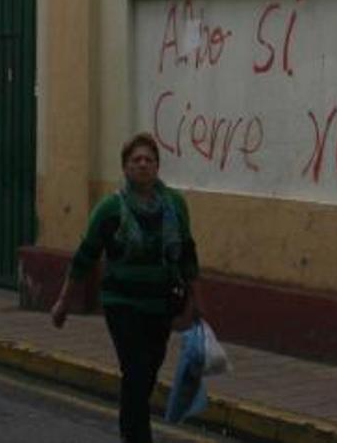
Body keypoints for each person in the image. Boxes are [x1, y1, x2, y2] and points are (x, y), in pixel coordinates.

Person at [51, 132, 199, 443]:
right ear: (125, 168)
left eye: (149, 160)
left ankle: (132, 431)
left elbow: (187, 255)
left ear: (158, 166)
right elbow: (85, 256)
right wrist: (64, 302)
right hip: (123, 304)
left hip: (160, 305)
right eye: (136, 160)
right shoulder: (110, 210)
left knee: (147, 375)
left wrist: (193, 304)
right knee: (136, 371)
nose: (143, 165)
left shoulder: (174, 206)